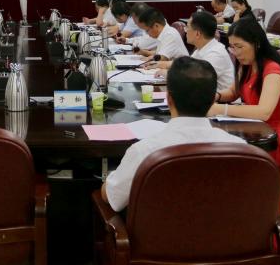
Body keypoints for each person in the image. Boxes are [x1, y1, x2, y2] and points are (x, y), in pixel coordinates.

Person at [101, 57, 245, 212]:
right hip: (221, 227)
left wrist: (110, 178)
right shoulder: (240, 149)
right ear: (212, 101)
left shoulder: (145, 151)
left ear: (168, 99)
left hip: (158, 228)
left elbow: (111, 196)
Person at [210, 18, 280, 175]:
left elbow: (263, 112)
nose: (236, 52)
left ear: (256, 43)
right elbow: (233, 92)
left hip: (272, 140)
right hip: (252, 131)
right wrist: (216, 96)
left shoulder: (272, 71)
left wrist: (220, 109)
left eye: (239, 46)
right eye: (232, 47)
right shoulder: (247, 65)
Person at [156, 12, 235, 91]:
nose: (185, 31)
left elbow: (194, 81)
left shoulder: (215, 54)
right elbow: (186, 66)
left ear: (197, 34)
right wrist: (159, 64)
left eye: (187, 27)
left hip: (216, 98)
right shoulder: (202, 48)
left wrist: (169, 74)